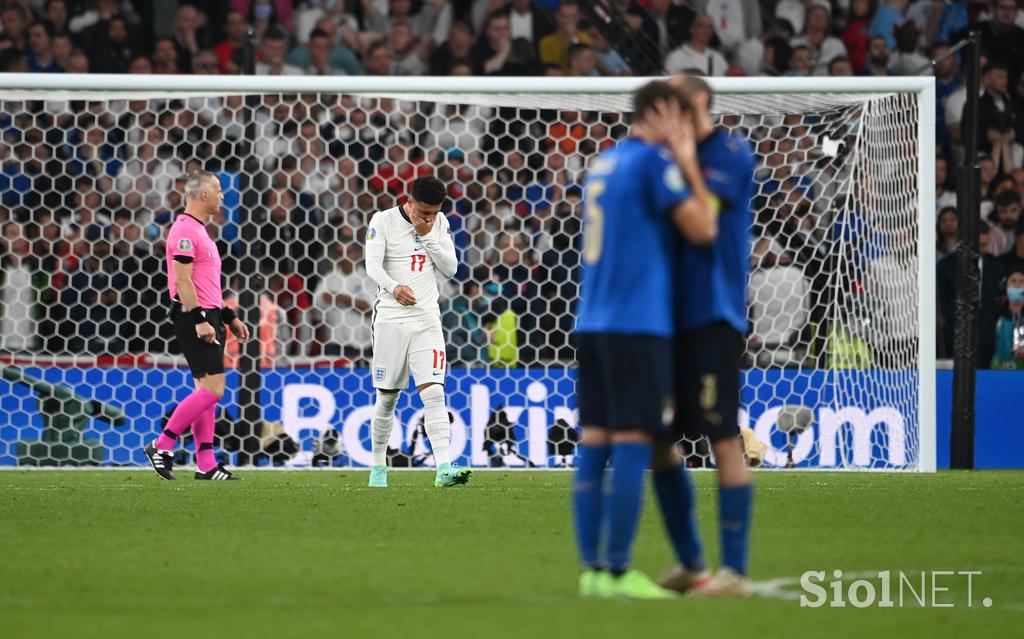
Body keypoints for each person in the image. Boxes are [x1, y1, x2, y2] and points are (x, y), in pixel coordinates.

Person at [573, 80, 717, 599]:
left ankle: (591, 571)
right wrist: (685, 158)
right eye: (678, 117)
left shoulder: (603, 163)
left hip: (592, 321)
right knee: (634, 441)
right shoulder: (654, 164)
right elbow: (703, 228)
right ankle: (617, 571)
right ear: (658, 112)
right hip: (638, 324)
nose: (685, 129)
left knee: (594, 441)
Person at [660, 74, 757, 596]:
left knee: (723, 440)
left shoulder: (730, 152)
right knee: (658, 439)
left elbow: (705, 221)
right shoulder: (666, 153)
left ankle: (734, 571)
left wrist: (674, 156)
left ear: (698, 101)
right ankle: (691, 562)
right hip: (665, 318)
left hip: (711, 315)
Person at [363, 175, 469, 489]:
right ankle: (378, 467)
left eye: (434, 213)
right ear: (409, 202)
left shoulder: (438, 224)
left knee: (435, 393)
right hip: (391, 321)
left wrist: (429, 235)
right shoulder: (382, 221)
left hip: (426, 320)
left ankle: (444, 468)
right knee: (387, 398)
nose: (429, 218)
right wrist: (394, 287)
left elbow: (451, 268)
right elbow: (372, 265)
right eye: (423, 213)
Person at [144, 171, 250, 481]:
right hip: (194, 316)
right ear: (203, 195)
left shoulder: (199, 232)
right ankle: (162, 444)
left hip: (207, 313)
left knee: (205, 390)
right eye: (217, 190)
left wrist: (227, 316)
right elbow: (182, 280)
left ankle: (205, 462)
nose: (222, 195)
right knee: (214, 390)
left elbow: (206, 284)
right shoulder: (185, 231)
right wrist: (202, 320)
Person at [992, 268, 1024, 369]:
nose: (1018, 285)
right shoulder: (995, 317)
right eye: (1013, 281)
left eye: (1022, 281)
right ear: (1006, 287)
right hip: (997, 373)